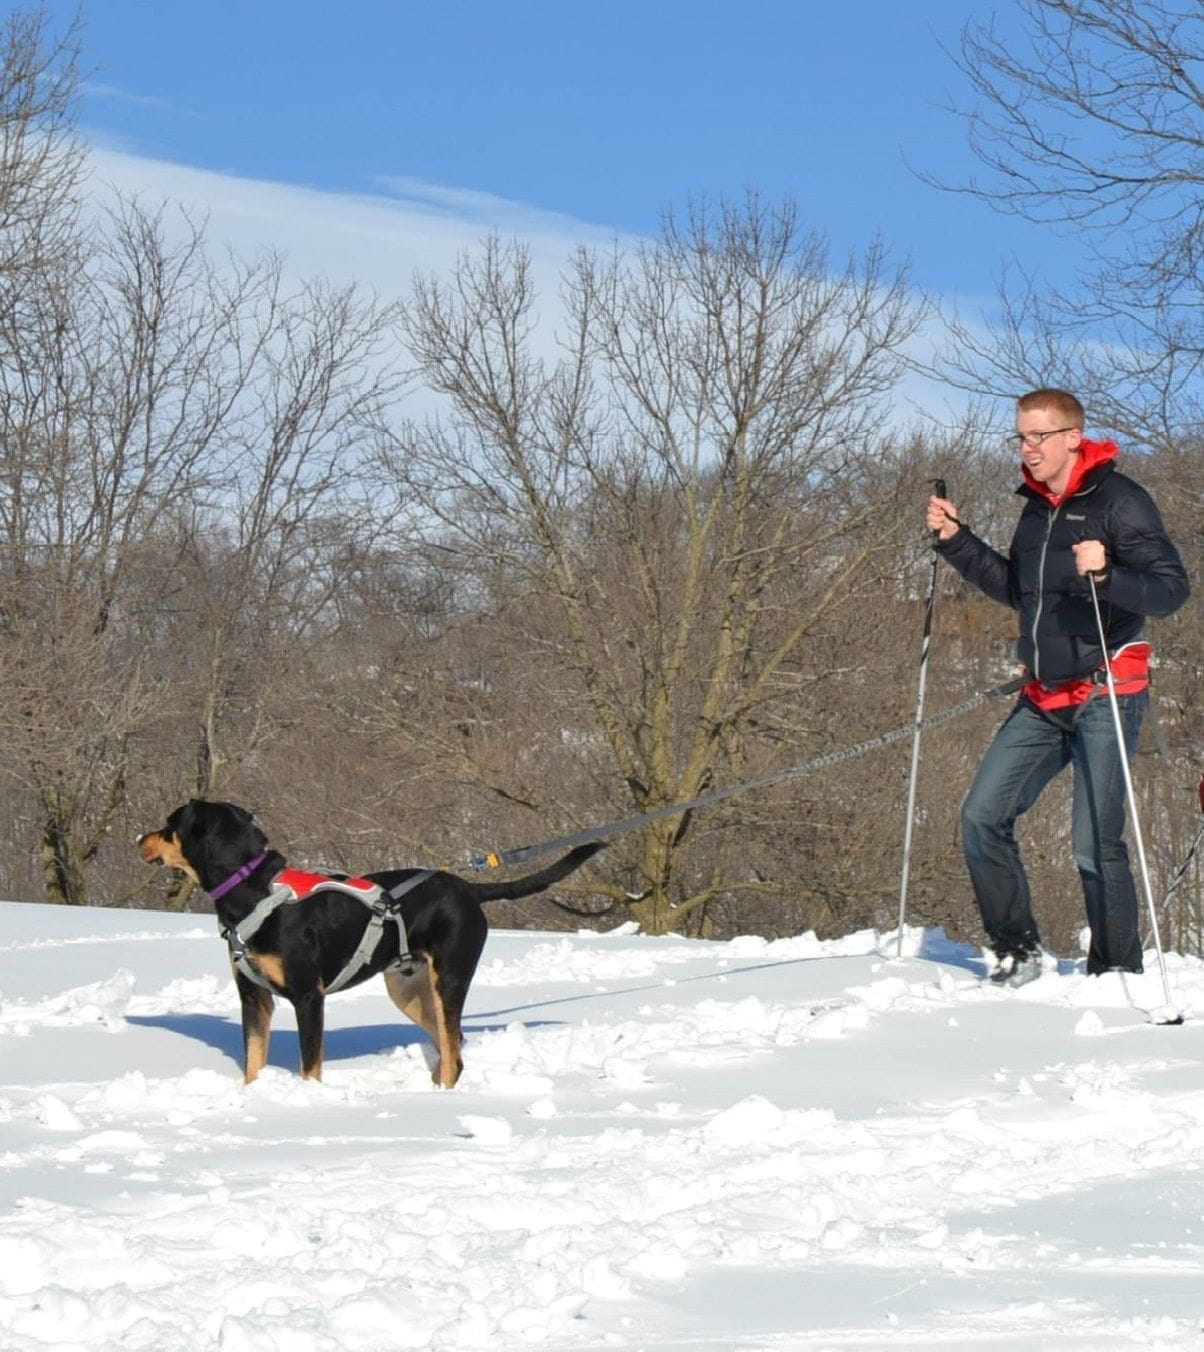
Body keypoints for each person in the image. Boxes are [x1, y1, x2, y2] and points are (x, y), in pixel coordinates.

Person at [926, 388, 1190, 986]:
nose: (1027, 447)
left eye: (1037, 436)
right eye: (1020, 436)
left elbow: (1172, 591)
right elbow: (1018, 592)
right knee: (981, 816)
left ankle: (1117, 970)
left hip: (1107, 693)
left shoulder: (1122, 503)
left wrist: (1108, 572)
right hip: (1042, 697)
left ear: (1073, 437)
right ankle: (1016, 951)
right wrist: (955, 541)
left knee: (1095, 844)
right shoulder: (1035, 509)